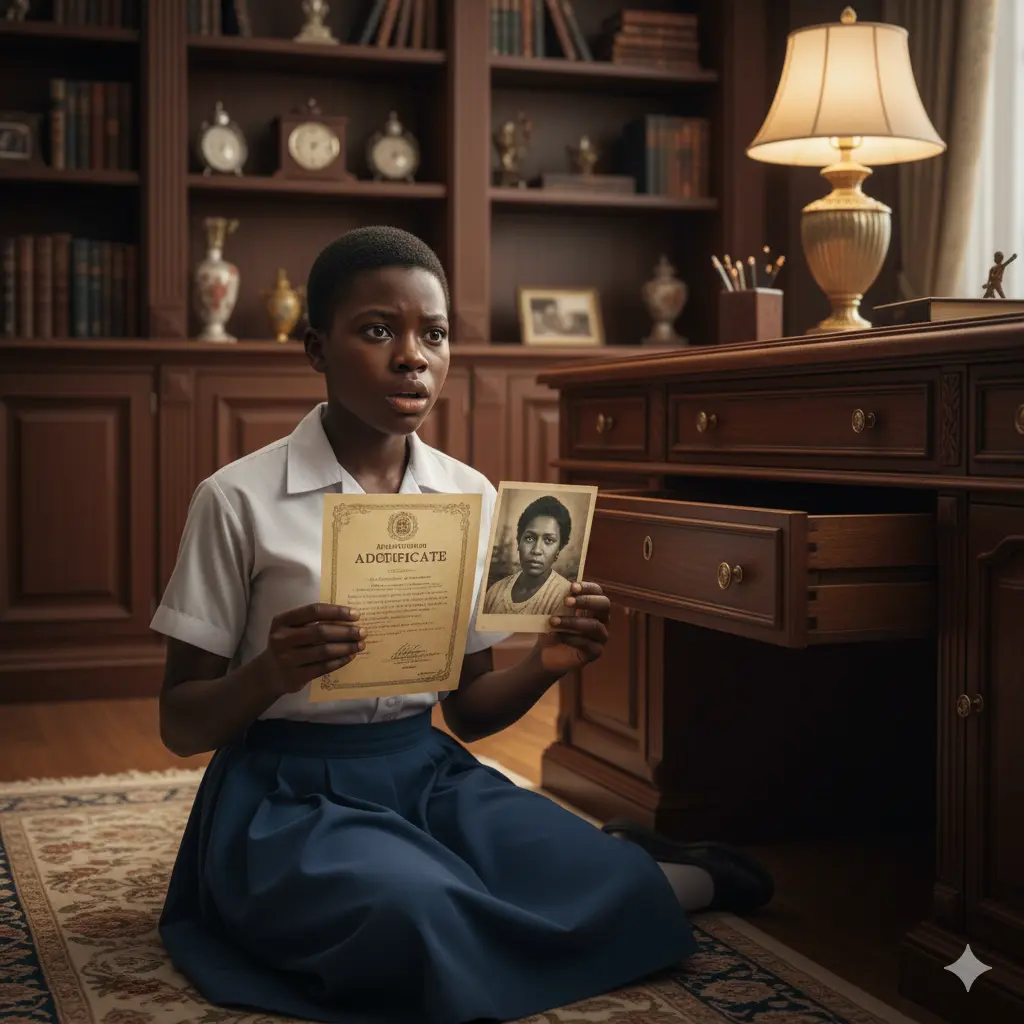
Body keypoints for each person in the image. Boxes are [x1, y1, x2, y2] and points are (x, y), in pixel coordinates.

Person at [152, 225, 773, 1024]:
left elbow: (472, 714)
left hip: (424, 774)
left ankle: (661, 871)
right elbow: (177, 722)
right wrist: (270, 672)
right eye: (378, 330)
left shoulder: (470, 496)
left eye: (434, 335)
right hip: (288, 794)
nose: (413, 356)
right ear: (315, 347)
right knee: (413, 913)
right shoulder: (235, 499)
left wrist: (546, 661)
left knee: (609, 884)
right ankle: (571, 889)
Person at [483, 493, 574, 616]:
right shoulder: (495, 592)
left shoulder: (565, 596)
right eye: (530, 538)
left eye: (549, 540)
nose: (536, 550)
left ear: (559, 549)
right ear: (519, 542)